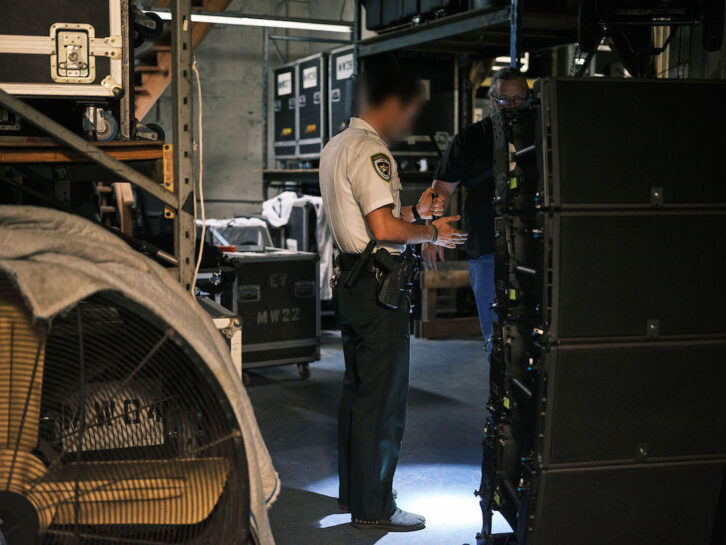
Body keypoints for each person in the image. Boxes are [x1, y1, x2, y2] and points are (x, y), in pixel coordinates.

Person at [319, 55, 467, 532]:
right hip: (378, 288)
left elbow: (371, 212)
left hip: (351, 283)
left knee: (358, 393)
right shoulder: (370, 150)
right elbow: (382, 227)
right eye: (409, 111)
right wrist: (433, 233)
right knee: (382, 402)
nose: (410, 122)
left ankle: (354, 495)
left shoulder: (338, 144)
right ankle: (375, 507)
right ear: (392, 104)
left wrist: (416, 211)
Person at [421, 66, 530, 352]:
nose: (511, 107)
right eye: (504, 101)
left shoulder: (542, 134)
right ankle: (499, 392)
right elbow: (441, 189)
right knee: (495, 334)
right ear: (492, 101)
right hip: (486, 247)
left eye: (519, 99)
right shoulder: (470, 139)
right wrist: (432, 232)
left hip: (535, 247)